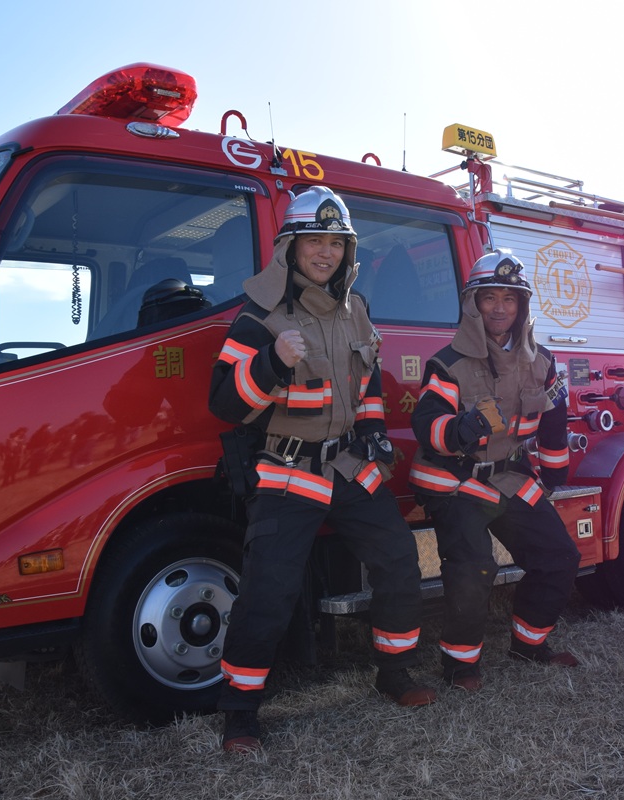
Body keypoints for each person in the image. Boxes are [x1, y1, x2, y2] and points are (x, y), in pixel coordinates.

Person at [209, 186, 435, 753]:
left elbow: (369, 383)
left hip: (351, 466)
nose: (326, 252)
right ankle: (239, 711)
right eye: (315, 240)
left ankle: (394, 671)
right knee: (269, 589)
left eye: (336, 243)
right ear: (291, 246)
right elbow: (225, 403)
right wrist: (270, 362)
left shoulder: (356, 309)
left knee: (399, 559)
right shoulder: (259, 315)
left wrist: (375, 433)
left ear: (347, 250)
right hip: (289, 469)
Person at [409, 250, 580, 692]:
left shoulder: (543, 361)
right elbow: (426, 425)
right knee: (473, 568)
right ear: (473, 304)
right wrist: (459, 429)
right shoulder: (447, 362)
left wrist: (555, 476)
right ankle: (460, 666)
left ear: (522, 305)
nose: (500, 308)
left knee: (560, 557)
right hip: (457, 480)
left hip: (510, 476)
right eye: (489, 298)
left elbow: (554, 421)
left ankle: (529, 645)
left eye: (509, 298)